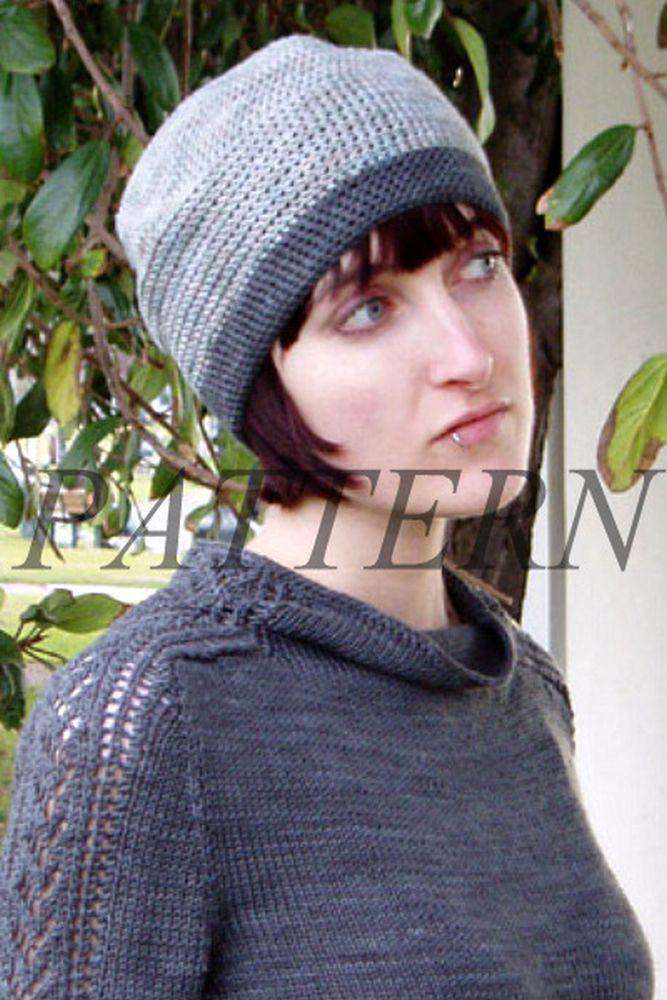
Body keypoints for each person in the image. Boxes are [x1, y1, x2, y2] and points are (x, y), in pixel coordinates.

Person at [0, 33, 655, 999]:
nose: (469, 353)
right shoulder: (149, 720)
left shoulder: (521, 688)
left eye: (478, 264)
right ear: (262, 380)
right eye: (368, 309)